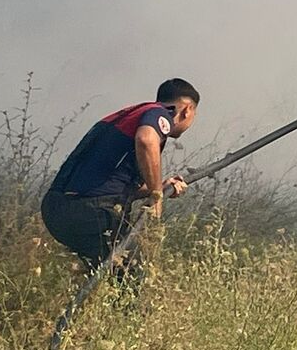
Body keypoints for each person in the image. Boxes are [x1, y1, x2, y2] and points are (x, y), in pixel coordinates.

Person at [41, 79, 198, 269]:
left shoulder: (128, 114)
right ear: (188, 110)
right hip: (92, 211)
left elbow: (115, 181)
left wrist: (159, 185)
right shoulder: (161, 114)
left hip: (56, 208)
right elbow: (146, 140)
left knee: (104, 274)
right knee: (131, 271)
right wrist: (157, 195)